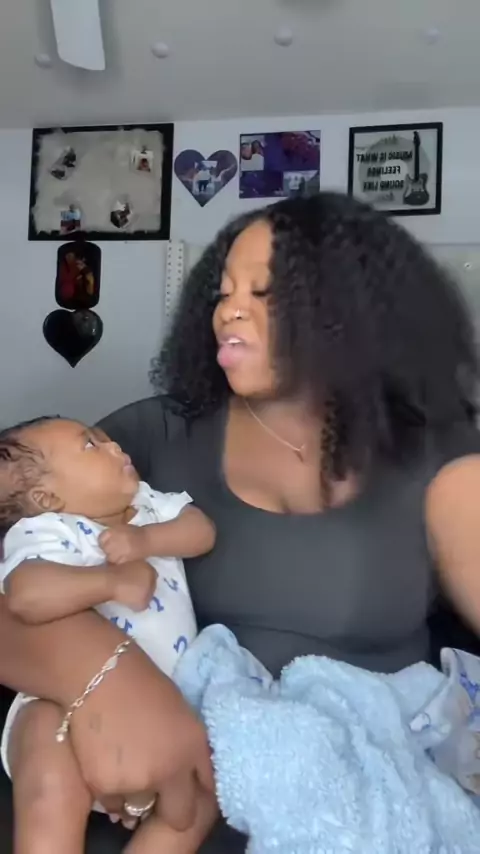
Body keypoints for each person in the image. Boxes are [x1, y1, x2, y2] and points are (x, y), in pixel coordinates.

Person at [2, 191, 480, 854]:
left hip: (358, 803)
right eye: (224, 291)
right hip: (161, 800)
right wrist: (105, 679)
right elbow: (21, 564)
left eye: (265, 292)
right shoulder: (148, 440)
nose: (228, 310)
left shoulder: (439, 458)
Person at [0, 417, 216, 854]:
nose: (113, 445)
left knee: (205, 790)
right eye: (90, 445)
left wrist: (146, 541)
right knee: (46, 764)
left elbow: (201, 533)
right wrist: (109, 583)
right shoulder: (49, 532)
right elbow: (26, 595)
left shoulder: (147, 503)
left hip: (178, 704)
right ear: (47, 499)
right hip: (65, 704)